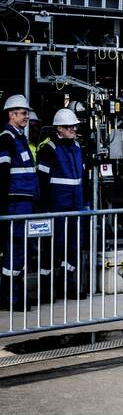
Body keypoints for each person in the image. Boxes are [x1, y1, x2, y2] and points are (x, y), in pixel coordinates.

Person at [37, 108, 86, 297]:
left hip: (76, 205)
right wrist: (44, 206)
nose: (73, 129)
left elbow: (83, 178)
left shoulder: (78, 148)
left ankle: (68, 286)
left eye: (74, 125)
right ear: (59, 129)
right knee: (52, 247)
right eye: (69, 126)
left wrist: (85, 202)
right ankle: (46, 289)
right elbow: (41, 179)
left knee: (74, 246)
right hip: (56, 207)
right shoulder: (49, 149)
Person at [0, 94, 39, 308]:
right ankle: (10, 297)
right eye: (23, 113)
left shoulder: (19, 138)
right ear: (11, 114)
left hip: (25, 201)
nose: (26, 117)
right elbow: (3, 173)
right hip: (15, 202)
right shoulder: (7, 138)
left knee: (22, 250)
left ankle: (17, 294)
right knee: (15, 249)